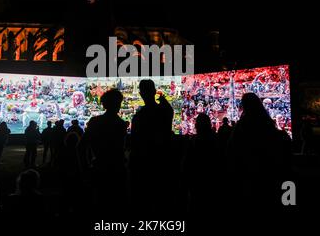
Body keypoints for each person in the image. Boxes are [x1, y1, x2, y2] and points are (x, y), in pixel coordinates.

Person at [227, 93, 291, 208]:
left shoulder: (241, 126)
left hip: (251, 176)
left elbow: (232, 149)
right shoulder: (266, 123)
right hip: (265, 174)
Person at [79, 89, 128, 216]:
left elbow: (81, 146)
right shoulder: (121, 124)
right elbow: (121, 150)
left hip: (99, 167)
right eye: (118, 103)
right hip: (117, 170)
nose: (119, 105)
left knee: (99, 205)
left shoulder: (95, 122)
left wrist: (85, 167)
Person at [129, 79, 174, 215]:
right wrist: (164, 101)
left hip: (143, 164)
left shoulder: (139, 117)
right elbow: (168, 113)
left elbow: (135, 142)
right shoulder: (164, 111)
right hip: (162, 162)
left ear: (141, 94)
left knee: (144, 204)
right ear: (154, 92)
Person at [184, 113, 221, 214]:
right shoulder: (215, 138)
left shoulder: (194, 141)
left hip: (198, 179)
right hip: (212, 179)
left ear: (197, 125)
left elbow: (187, 163)